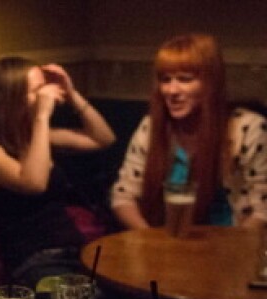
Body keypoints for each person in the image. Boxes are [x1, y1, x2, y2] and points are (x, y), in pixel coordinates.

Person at [0, 56, 116, 288]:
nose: (45, 94)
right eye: (37, 89)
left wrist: (72, 94)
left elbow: (103, 138)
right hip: (31, 261)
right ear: (10, 100)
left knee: (131, 294)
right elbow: (34, 183)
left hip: (73, 250)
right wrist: (41, 116)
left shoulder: (38, 138)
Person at [111, 33, 267, 231]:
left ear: (211, 84)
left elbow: (263, 209)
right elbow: (123, 196)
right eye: (165, 80)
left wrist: (235, 250)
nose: (172, 90)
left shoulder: (247, 128)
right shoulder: (151, 126)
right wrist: (148, 239)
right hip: (166, 240)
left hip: (231, 242)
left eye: (185, 79)